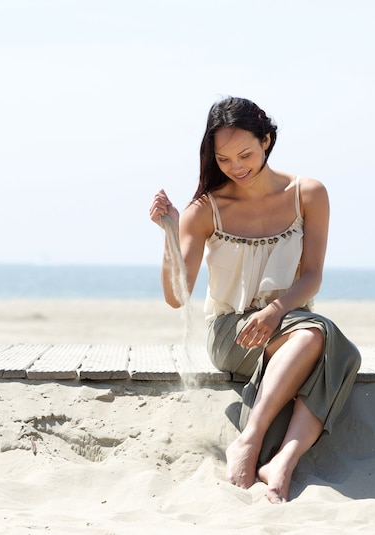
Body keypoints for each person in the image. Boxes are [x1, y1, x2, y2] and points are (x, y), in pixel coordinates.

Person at [149, 96, 361, 504]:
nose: (236, 167)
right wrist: (170, 233)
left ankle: (280, 459)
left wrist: (276, 310)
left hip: (290, 321)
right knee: (327, 341)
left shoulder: (308, 194)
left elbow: (313, 274)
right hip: (233, 332)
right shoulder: (206, 209)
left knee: (323, 340)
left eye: (245, 153)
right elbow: (177, 298)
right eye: (224, 159)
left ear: (267, 140)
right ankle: (253, 443)